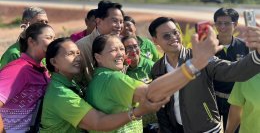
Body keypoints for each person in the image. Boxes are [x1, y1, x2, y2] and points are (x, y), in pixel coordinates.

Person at [86, 30, 222, 133]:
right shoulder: (113, 78)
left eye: (121, 48)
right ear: (98, 57)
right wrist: (194, 64)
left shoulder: (96, 80)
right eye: (113, 50)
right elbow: (152, 94)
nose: (121, 54)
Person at [147, 16, 260, 133]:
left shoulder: (200, 58)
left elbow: (232, 71)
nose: (174, 38)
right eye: (167, 36)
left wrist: (258, 54)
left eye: (176, 32)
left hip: (207, 129)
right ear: (155, 40)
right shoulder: (157, 69)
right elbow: (161, 107)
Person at [40, 37, 166, 132]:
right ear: (54, 61)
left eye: (78, 53)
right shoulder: (60, 93)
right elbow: (98, 122)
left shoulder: (71, 83)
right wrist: (136, 112)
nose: (77, 58)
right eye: (70, 54)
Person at [0, 23, 55, 132]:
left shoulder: (41, 69)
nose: (53, 43)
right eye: (48, 38)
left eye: (54, 38)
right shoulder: (18, 69)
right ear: (31, 41)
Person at [213, 8, 249, 131]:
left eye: (227, 23)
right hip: (212, 100)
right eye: (219, 23)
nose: (222, 27)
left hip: (236, 102)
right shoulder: (207, 46)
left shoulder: (245, 47)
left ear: (236, 24)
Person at [76, 0, 124, 88]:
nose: (119, 26)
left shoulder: (122, 43)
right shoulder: (81, 47)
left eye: (121, 22)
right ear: (98, 21)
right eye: (115, 21)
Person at [121, 35, 157, 132]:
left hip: (155, 118)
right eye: (128, 47)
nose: (133, 50)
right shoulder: (122, 69)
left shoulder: (151, 66)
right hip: (135, 121)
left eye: (135, 46)